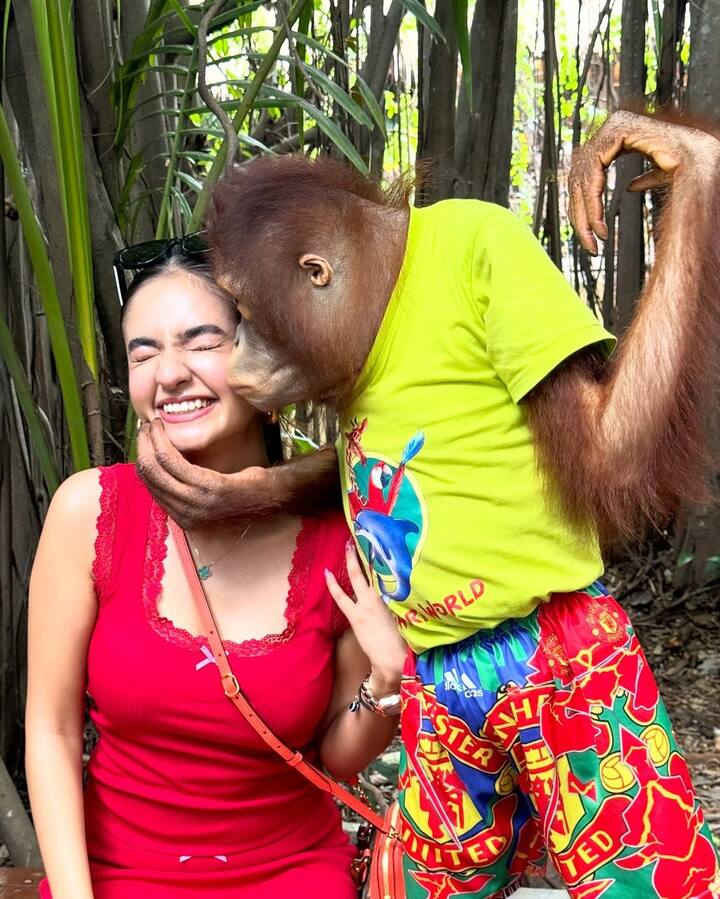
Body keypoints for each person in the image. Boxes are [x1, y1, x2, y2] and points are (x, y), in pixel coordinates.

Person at [135, 112, 720, 897]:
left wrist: (697, 192)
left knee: (647, 882)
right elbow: (397, 462)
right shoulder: (357, 333)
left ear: (318, 273)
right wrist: (255, 489)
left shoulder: (475, 250)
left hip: (559, 657)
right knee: (419, 885)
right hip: (440, 680)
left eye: (250, 320)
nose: (239, 362)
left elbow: (615, 452)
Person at [25, 236, 407, 899]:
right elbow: (53, 727)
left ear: (269, 367)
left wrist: (387, 683)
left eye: (200, 342)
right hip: (118, 876)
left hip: (288, 876)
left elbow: (333, 755)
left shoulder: (340, 536)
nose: (168, 372)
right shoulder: (90, 511)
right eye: (143, 352)